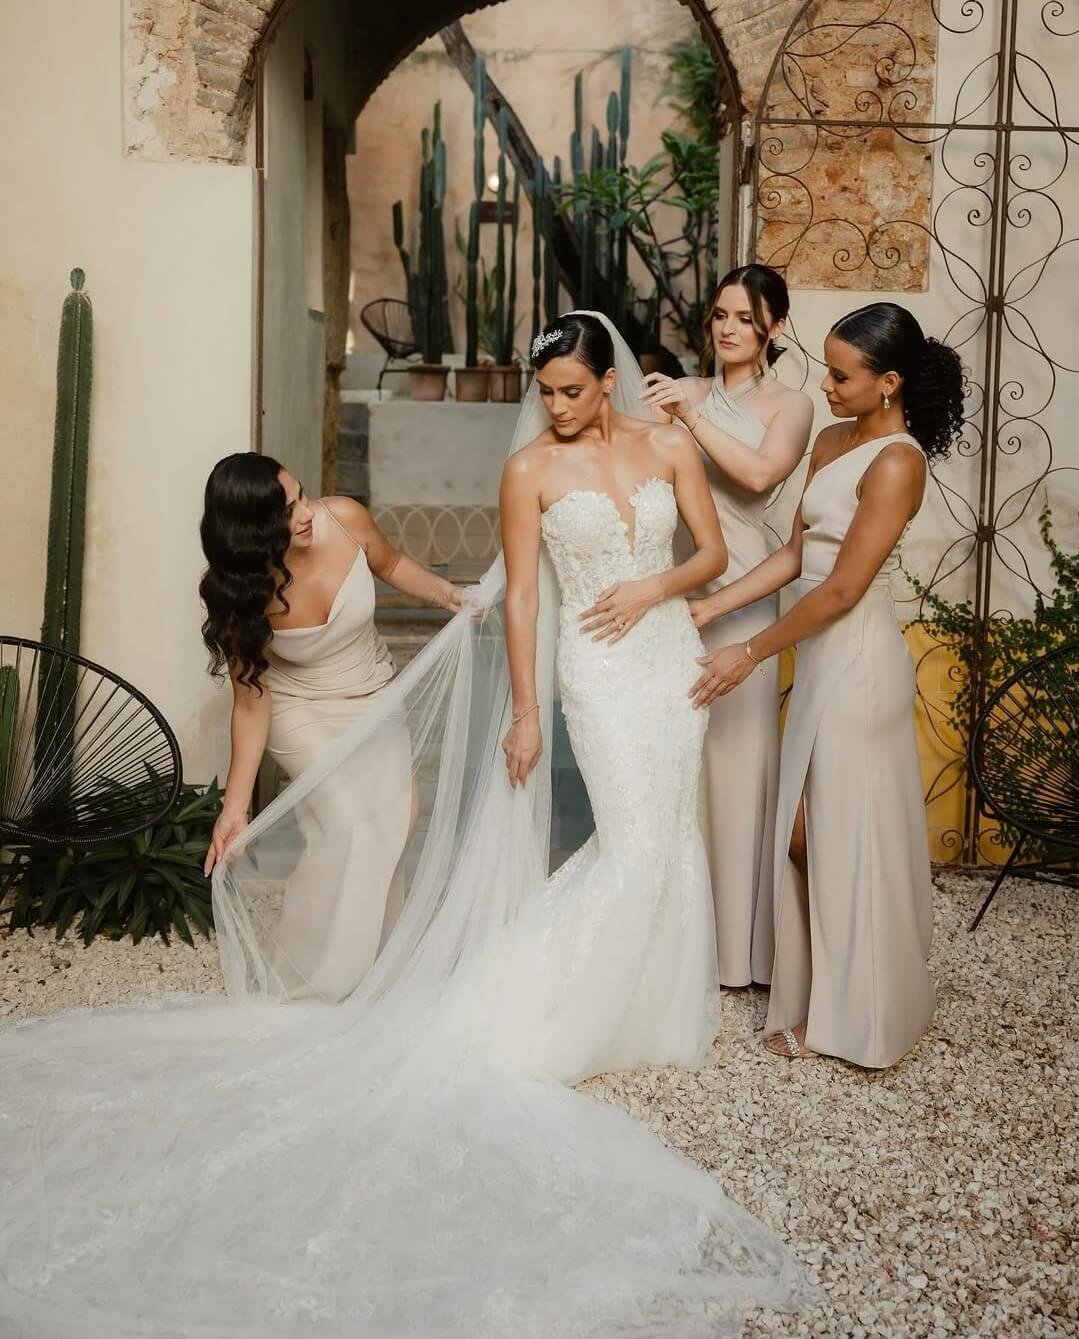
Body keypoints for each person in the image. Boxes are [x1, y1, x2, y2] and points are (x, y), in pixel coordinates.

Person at [0, 315, 809, 1335]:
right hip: (558, 677)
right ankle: (450, 994)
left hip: (642, 661)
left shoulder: (665, 445)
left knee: (648, 837)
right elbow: (514, 605)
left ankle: (642, 1002)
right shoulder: (523, 474)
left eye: (570, 389)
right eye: (545, 391)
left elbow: (705, 552)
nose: (555, 407)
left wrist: (637, 586)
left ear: (607, 382)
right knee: (576, 837)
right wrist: (521, 710)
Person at [689, 302, 964, 1068]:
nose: (826, 386)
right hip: (815, 658)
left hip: (857, 664)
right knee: (807, 830)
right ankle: (829, 993)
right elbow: (793, 556)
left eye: (841, 376)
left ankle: (859, 1014)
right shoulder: (832, 440)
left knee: (833, 832)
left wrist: (749, 651)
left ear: (889, 382)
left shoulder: (898, 462)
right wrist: (712, 605)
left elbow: (842, 588)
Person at [198, 454, 461, 1000]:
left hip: (372, 691)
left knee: (401, 818)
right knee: (351, 825)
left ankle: (374, 970)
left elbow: (392, 563)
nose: (304, 515)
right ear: (251, 532)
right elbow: (250, 702)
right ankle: (310, 983)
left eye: (301, 495)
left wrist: (448, 594)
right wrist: (235, 806)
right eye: (285, 512)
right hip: (298, 706)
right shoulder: (241, 591)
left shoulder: (342, 518)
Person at [640, 264, 813, 987]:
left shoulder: (791, 405)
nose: (729, 329)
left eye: (745, 317)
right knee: (671, 764)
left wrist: (691, 415)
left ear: (775, 326)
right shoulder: (681, 394)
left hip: (743, 595)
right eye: (720, 315)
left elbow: (758, 475)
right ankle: (673, 943)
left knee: (738, 766)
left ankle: (737, 953)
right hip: (674, 592)